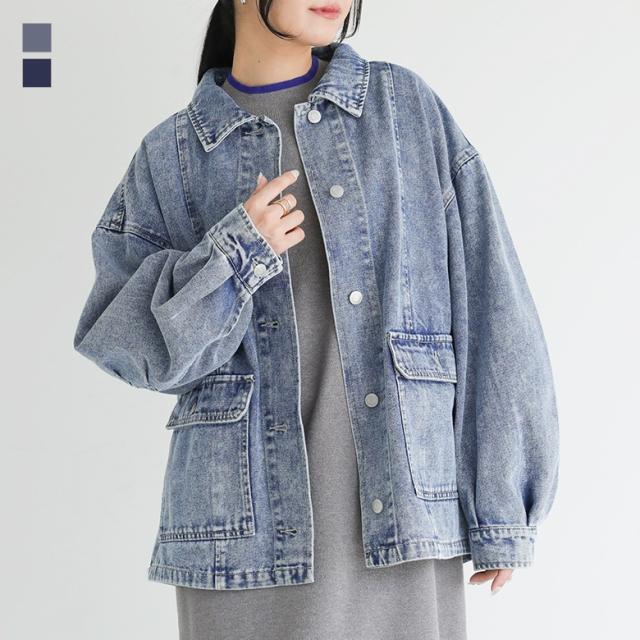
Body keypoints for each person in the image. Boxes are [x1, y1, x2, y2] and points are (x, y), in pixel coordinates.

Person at [73, 1, 560, 639]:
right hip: (239, 545)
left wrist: (503, 503)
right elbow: (126, 343)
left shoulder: (404, 111)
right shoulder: (172, 156)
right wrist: (235, 253)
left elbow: (490, 297)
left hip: (401, 519)